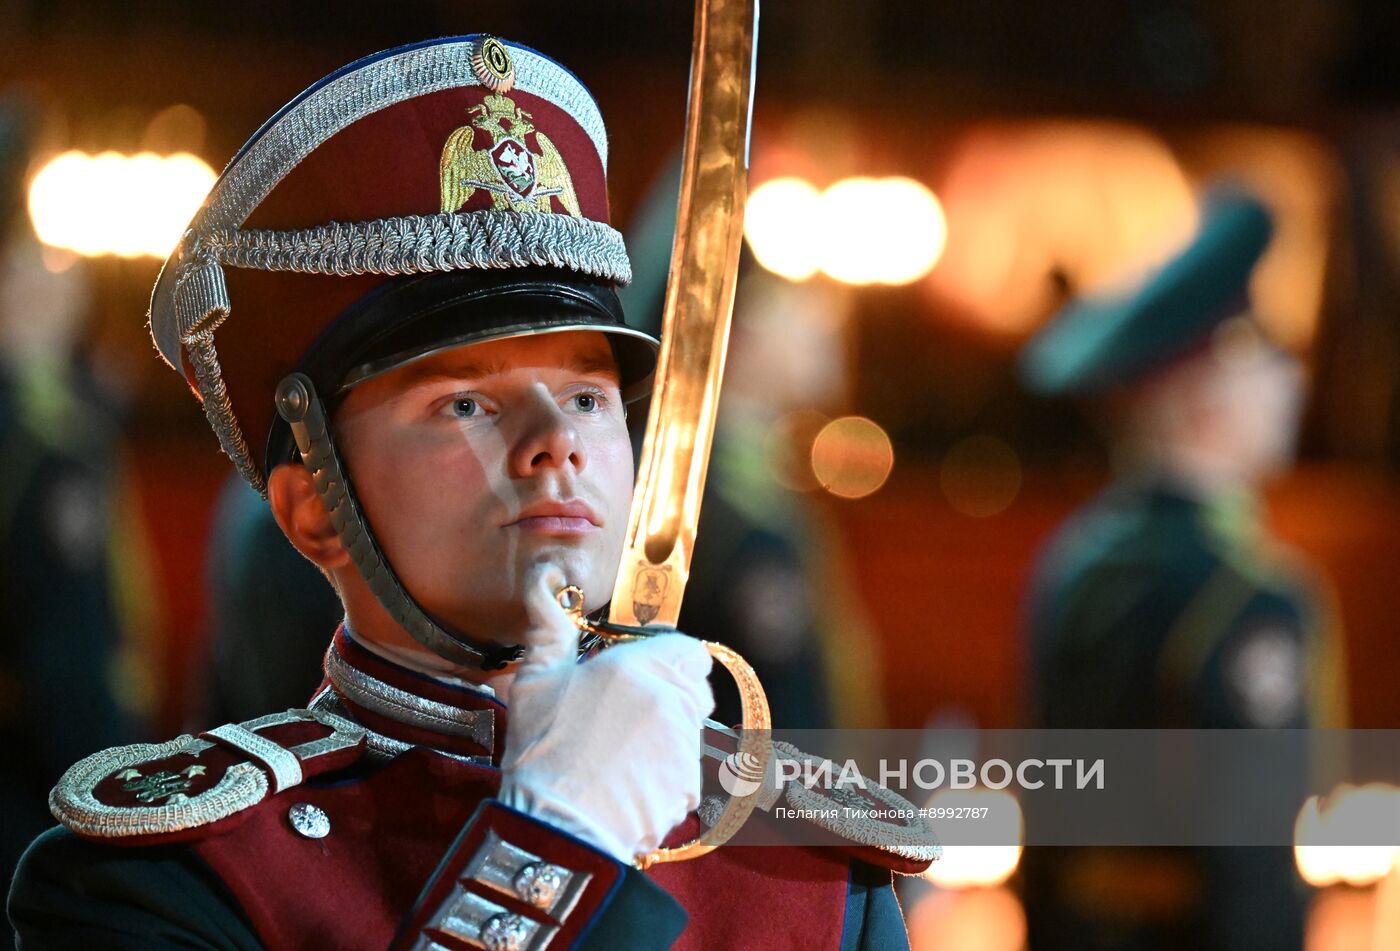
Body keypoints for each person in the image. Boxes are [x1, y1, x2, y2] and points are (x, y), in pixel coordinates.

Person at [8, 36, 936, 949]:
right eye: (466, 401)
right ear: (312, 508)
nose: (557, 444)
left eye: (586, 395)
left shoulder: (809, 877)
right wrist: (561, 840)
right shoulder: (163, 886)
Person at [1016, 187, 1347, 950]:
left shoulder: (1076, 557)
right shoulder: (1247, 595)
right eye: (1264, 360)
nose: (1290, 384)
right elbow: (1251, 867)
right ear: (1204, 398)